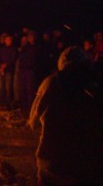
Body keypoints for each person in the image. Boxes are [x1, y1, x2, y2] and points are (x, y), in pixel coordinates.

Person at [29, 46, 103, 185]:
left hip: (52, 164)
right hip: (89, 167)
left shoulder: (51, 83)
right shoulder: (95, 85)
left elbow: (33, 121)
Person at [0, 35, 17, 108]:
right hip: (1, 71)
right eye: (7, 40)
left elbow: (13, 60)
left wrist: (6, 65)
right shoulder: (1, 49)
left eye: (10, 40)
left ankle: (8, 104)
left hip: (9, 71)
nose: (9, 41)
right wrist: (1, 66)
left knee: (8, 88)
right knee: (1, 88)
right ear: (5, 41)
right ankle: (2, 103)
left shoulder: (13, 49)